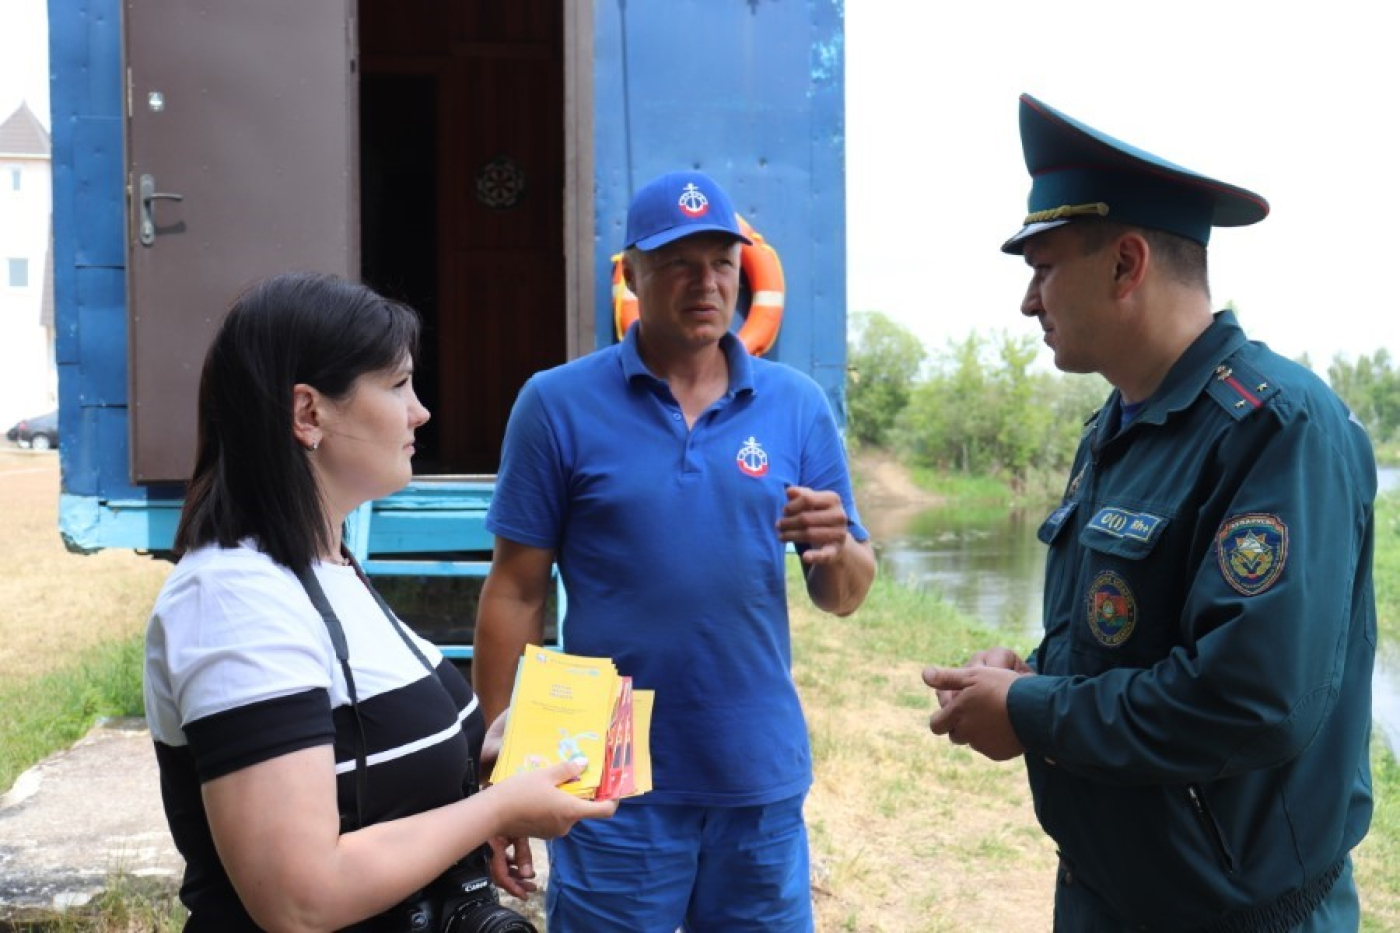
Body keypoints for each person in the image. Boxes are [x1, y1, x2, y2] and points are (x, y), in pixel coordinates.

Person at [922, 94, 1377, 931]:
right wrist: (1031, 672)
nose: (1029, 300)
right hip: (1108, 890)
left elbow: (1251, 701)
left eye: (1045, 266)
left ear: (1126, 265)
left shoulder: (1277, 426)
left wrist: (1030, 712)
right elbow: (1126, 636)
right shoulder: (1115, 427)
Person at [143, 271, 616, 930]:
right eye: (397, 386)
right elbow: (299, 897)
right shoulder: (231, 598)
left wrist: (482, 752)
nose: (421, 411)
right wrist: (499, 809)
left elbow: (363, 769)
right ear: (308, 413)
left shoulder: (332, 566)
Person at [473, 170, 877, 931]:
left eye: (722, 262)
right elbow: (516, 592)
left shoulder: (796, 406)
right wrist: (503, 773)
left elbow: (845, 593)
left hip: (754, 771)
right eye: (680, 262)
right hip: (605, 780)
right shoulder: (557, 403)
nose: (707, 282)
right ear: (631, 273)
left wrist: (839, 550)